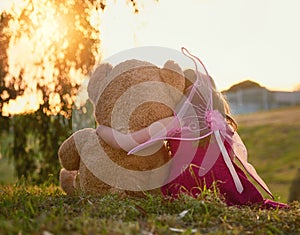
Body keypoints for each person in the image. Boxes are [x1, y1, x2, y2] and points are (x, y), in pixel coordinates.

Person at [96, 48, 288, 208]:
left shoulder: (173, 123)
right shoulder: (222, 125)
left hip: (187, 191)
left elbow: (127, 143)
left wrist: (102, 130)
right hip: (231, 191)